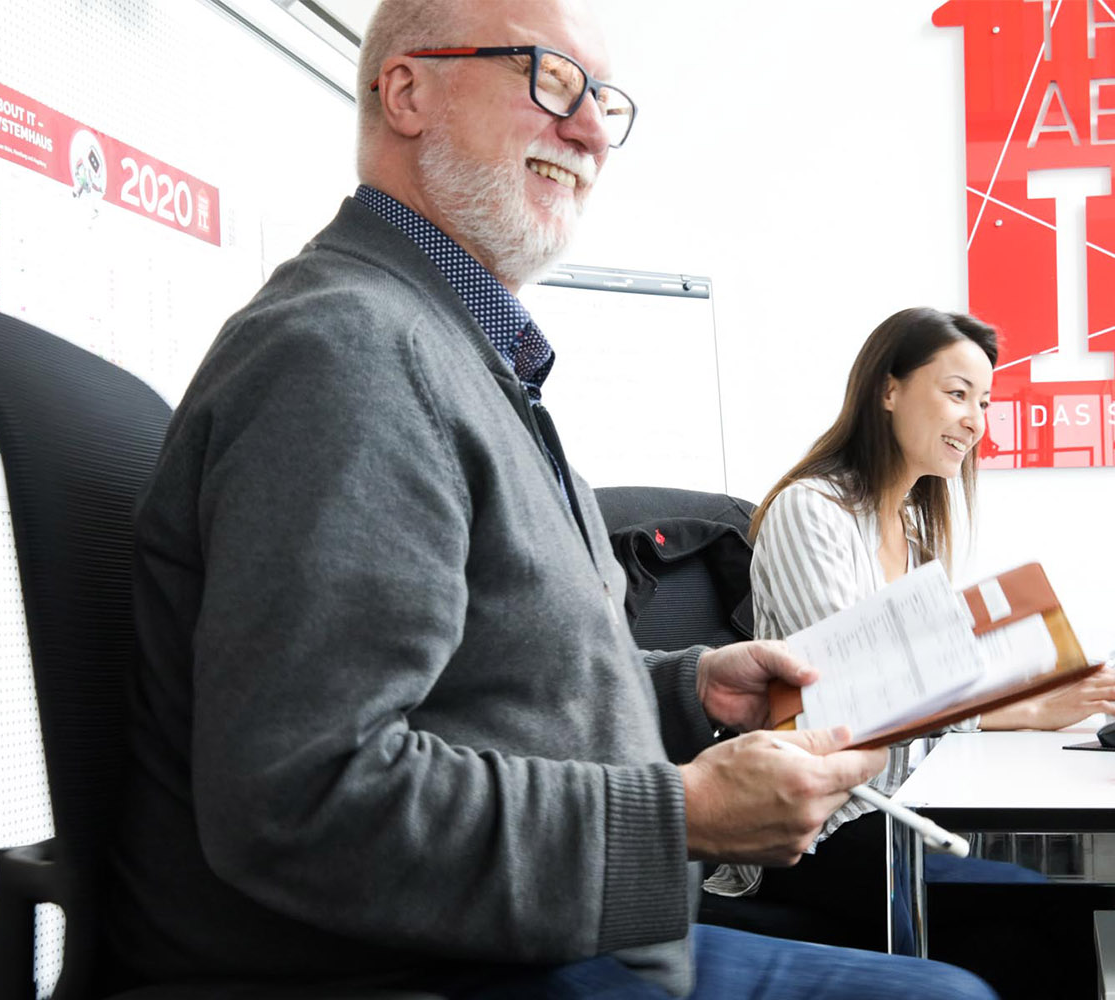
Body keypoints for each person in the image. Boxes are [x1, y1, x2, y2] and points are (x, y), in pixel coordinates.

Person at [103, 2, 997, 998]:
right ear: (406, 91)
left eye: (603, 101)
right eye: (549, 80)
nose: (590, 131)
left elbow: (496, 694)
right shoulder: (348, 356)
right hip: (432, 968)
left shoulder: (452, 352)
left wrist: (686, 690)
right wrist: (683, 817)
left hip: (543, 939)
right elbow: (306, 795)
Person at [706, 307, 1115, 942]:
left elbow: (938, 684)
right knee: (1053, 905)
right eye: (957, 395)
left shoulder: (914, 537)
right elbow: (860, 699)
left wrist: (1040, 686)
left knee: (1076, 878)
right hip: (823, 823)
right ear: (888, 390)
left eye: (985, 402)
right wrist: (1028, 708)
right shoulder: (810, 513)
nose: (975, 420)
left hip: (905, 801)